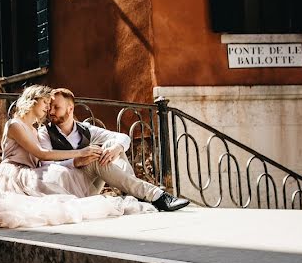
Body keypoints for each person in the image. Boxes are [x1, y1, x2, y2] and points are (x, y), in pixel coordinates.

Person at [0, 85, 155, 236]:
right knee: (32, 205)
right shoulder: (15, 125)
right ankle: (142, 194)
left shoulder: (35, 128)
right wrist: (80, 153)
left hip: (31, 172)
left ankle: (137, 192)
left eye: (51, 106)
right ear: (33, 101)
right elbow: (42, 155)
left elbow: (42, 159)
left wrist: (98, 151)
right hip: (13, 175)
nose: (47, 109)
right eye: (45, 104)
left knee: (84, 166)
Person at [39, 88, 189, 212]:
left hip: (89, 186)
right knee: (96, 158)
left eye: (56, 107)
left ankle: (134, 193)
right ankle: (154, 195)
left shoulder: (86, 130)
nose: (51, 112)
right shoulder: (45, 133)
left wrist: (116, 148)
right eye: (49, 107)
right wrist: (76, 161)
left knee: (111, 143)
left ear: (70, 108)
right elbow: (44, 166)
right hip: (68, 189)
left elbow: (123, 138)